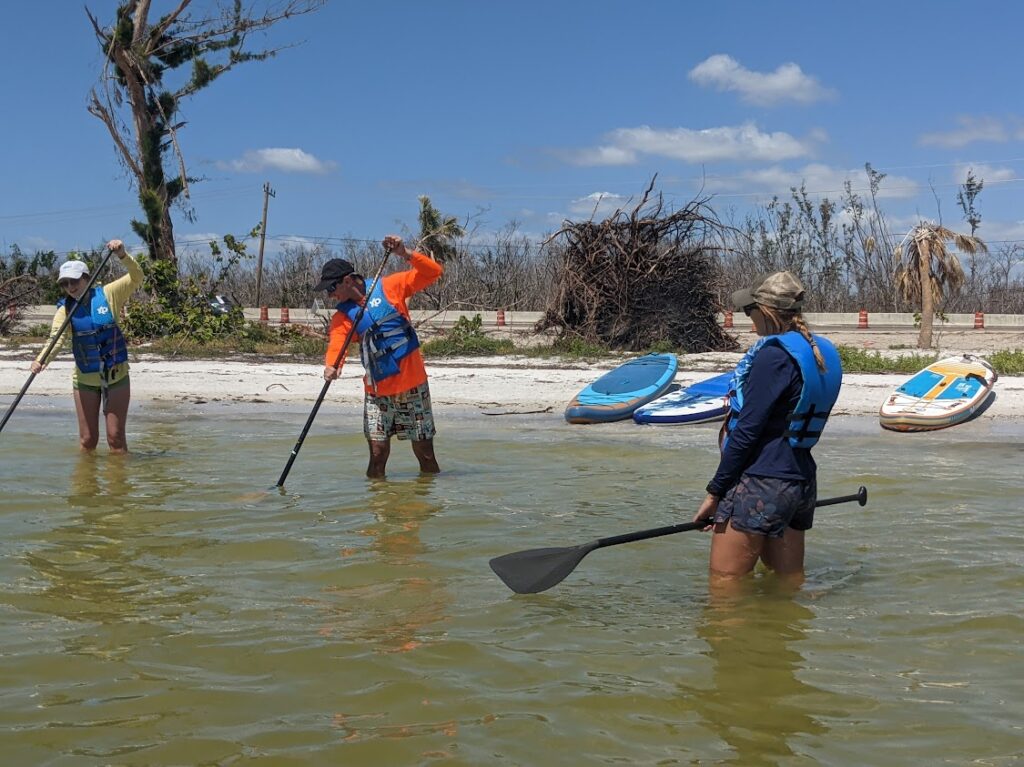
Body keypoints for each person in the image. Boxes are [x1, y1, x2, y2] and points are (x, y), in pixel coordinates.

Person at [692, 271, 843, 591]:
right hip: (799, 483)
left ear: (767, 311)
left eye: (750, 312)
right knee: (787, 585)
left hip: (760, 483)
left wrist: (715, 492)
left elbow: (747, 430)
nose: (749, 321)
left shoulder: (774, 357)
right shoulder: (819, 352)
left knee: (724, 587)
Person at [318, 234, 444, 478]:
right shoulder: (343, 316)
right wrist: (331, 367)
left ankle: (426, 506)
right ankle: (379, 508)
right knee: (377, 455)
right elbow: (337, 344)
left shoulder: (389, 286)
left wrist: (404, 254)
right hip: (377, 393)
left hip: (413, 386)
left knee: (426, 455)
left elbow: (433, 272)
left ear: (346, 281)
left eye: (332, 288)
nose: (331, 295)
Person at [31, 240, 144, 453]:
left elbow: (137, 276)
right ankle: (85, 485)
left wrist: (122, 255)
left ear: (87, 278)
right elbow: (55, 339)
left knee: (116, 439)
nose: (70, 287)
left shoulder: (109, 294)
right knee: (88, 440)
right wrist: (40, 360)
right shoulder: (65, 310)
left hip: (116, 376)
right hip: (85, 379)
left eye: (74, 281)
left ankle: (118, 486)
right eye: (64, 283)